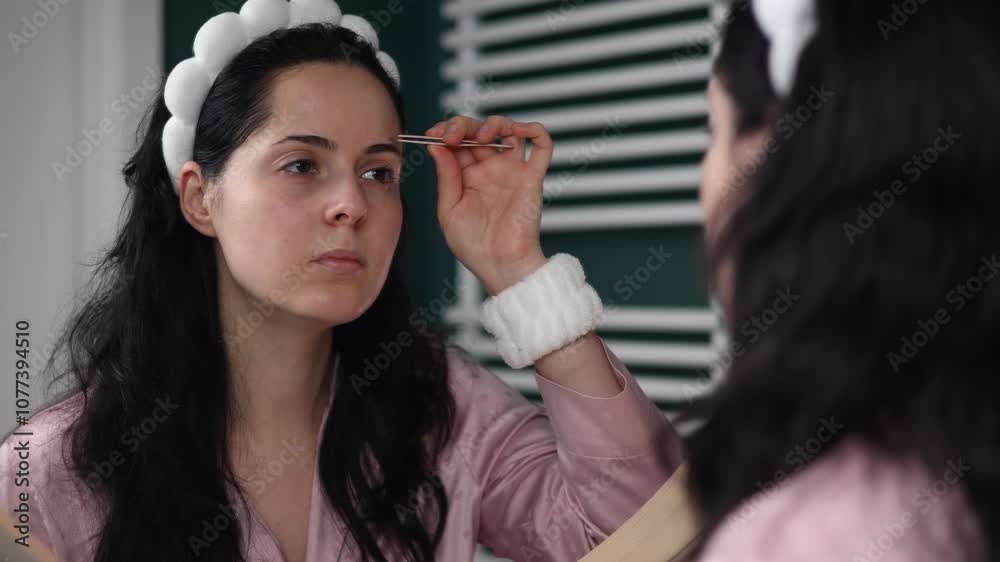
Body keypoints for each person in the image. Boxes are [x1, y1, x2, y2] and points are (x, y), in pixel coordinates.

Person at [0, 2, 683, 561]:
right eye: (302, 165)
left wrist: (518, 269)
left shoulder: (443, 415)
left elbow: (649, 535)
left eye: (379, 171)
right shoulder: (46, 476)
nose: (352, 204)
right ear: (200, 198)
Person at [585, 0, 997, 560]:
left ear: (773, 148)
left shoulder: (803, 537)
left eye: (713, 128)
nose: (704, 181)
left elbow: (613, 521)